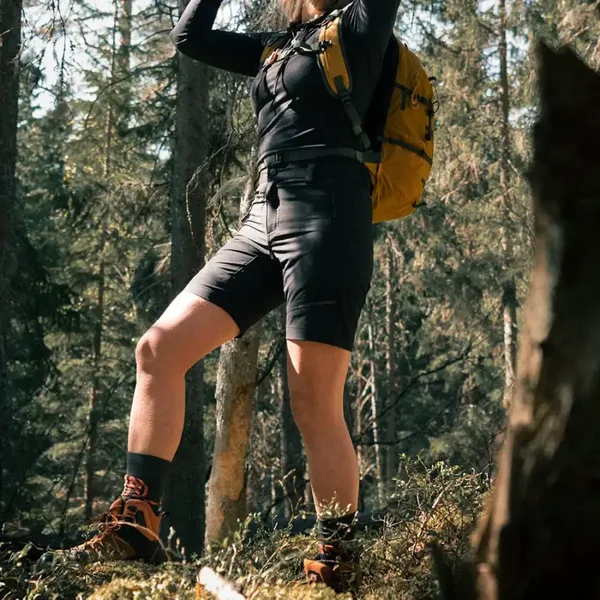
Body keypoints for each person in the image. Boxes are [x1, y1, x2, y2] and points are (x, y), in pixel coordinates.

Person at [58, 0, 400, 593]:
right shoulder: (277, 45)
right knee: (158, 350)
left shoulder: (361, 29)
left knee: (313, 400)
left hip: (330, 215)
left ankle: (338, 558)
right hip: (263, 219)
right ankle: (137, 523)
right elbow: (190, 36)